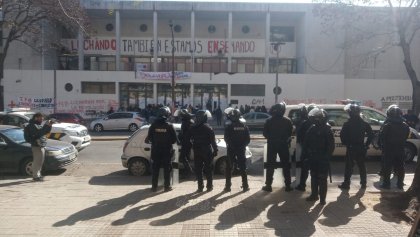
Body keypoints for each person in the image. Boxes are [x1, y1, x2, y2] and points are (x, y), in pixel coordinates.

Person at [303, 108, 335, 205]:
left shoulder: (327, 130)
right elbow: (306, 142)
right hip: (313, 157)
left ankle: (322, 199)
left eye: (316, 118)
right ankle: (314, 195)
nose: (314, 120)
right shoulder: (312, 128)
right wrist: (307, 154)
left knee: (322, 178)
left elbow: (330, 146)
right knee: (313, 176)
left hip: (322, 157)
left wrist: (326, 157)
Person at [338, 104, 373, 190]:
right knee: (362, 166)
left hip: (351, 147)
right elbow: (371, 135)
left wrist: (347, 143)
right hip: (361, 147)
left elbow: (342, 136)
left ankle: (346, 184)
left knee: (349, 166)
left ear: (350, 113)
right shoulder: (364, 123)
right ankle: (363, 183)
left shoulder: (347, 124)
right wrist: (366, 145)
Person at [262, 102, 293, 192]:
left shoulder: (269, 120)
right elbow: (290, 133)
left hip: (272, 144)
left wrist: (271, 138)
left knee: (270, 165)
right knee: (286, 165)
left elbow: (264, 133)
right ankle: (288, 185)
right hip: (283, 145)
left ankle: (268, 185)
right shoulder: (287, 121)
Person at [146, 106, 177, 192]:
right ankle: (167, 187)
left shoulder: (153, 125)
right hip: (166, 151)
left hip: (156, 150)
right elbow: (174, 140)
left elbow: (149, 138)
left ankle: (154, 187)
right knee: (167, 169)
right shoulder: (169, 126)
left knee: (155, 169)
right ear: (167, 114)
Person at [186, 110, 218, 192]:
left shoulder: (193, 128)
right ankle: (209, 187)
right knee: (208, 169)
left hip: (197, 150)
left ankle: (200, 187)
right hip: (207, 150)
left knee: (198, 170)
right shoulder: (208, 128)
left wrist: (191, 146)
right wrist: (215, 150)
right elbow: (213, 141)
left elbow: (187, 139)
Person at [379, 105, 410, 189]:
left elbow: (382, 138)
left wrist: (383, 146)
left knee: (387, 167)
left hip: (389, 149)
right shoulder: (405, 125)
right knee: (400, 167)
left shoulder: (387, 125)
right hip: (400, 149)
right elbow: (406, 137)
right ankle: (400, 184)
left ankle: (386, 184)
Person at [224, 109, 251, 192]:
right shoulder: (244, 126)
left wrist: (232, 146)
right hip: (241, 149)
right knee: (242, 167)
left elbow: (226, 139)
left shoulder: (229, 126)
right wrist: (242, 146)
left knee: (229, 167)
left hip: (231, 149)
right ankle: (245, 185)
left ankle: (228, 186)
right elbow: (248, 140)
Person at [26, 113, 53, 181]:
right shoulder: (32, 125)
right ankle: (35, 176)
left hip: (41, 145)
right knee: (37, 161)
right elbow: (39, 133)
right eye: (41, 118)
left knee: (40, 161)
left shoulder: (38, 124)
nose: (42, 119)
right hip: (36, 145)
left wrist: (49, 125)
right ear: (36, 118)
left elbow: (46, 132)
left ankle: (38, 175)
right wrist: (46, 125)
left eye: (42, 118)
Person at [295, 104, 315, 191]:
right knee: (316, 171)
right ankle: (316, 190)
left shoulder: (305, 123)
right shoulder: (324, 124)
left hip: (307, 149)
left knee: (305, 168)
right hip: (318, 150)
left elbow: (298, 136)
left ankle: (302, 185)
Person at [178, 109, 194, 176]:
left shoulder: (185, 122)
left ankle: (189, 170)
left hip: (186, 142)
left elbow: (182, 133)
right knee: (186, 158)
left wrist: (178, 138)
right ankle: (187, 172)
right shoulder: (190, 121)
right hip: (189, 142)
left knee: (182, 158)